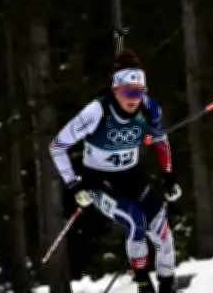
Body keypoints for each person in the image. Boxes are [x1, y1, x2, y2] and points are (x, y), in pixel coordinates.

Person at [48, 49, 183, 293]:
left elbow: (161, 141)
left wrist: (168, 175)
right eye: (128, 92)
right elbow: (57, 146)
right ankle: (143, 284)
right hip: (99, 181)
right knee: (136, 221)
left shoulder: (149, 108)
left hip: (132, 177)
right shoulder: (96, 111)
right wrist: (74, 185)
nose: (134, 99)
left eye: (139, 92)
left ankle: (167, 286)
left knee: (162, 230)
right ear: (115, 90)